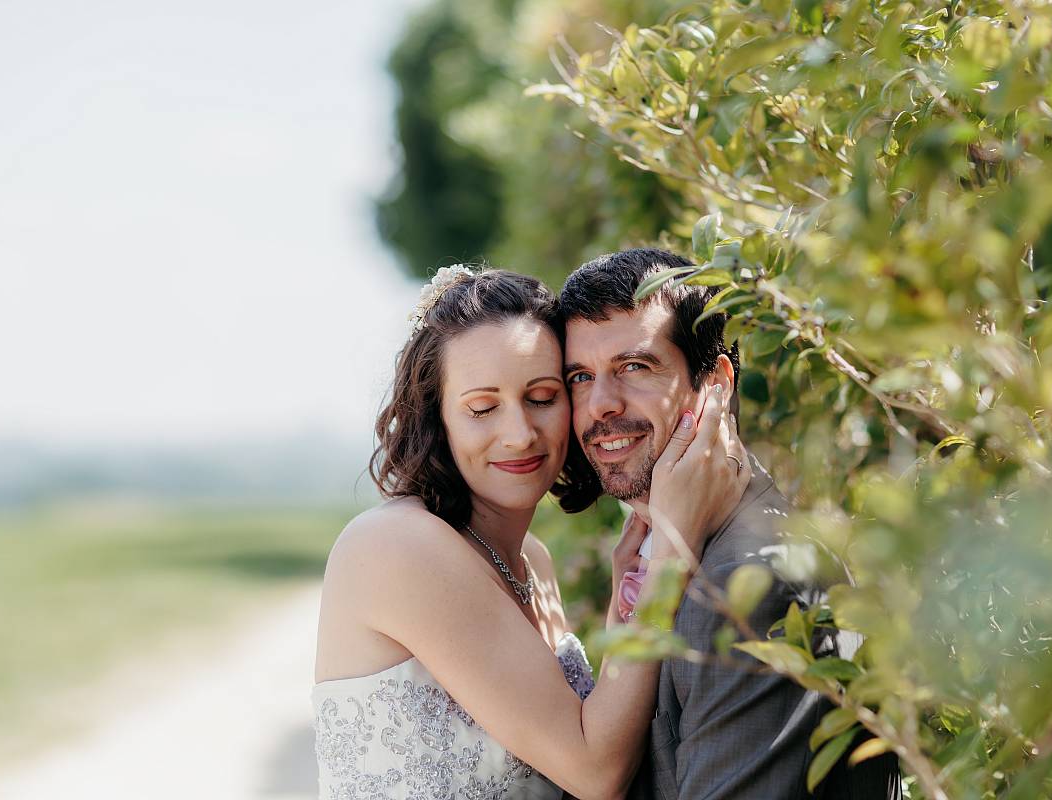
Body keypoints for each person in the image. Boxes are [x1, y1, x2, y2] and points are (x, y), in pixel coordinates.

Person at [312, 266, 751, 800]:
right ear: (438, 418)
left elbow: (589, 735)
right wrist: (671, 555)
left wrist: (627, 599)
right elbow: (595, 772)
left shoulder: (532, 562)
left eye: (542, 397)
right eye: (482, 408)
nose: (519, 434)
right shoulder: (394, 546)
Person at [558, 248, 902, 800]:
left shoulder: (750, 581)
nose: (599, 404)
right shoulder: (669, 554)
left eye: (634, 367)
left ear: (715, 383)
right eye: (580, 376)